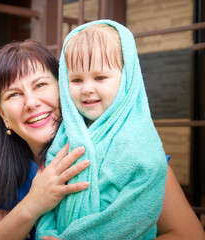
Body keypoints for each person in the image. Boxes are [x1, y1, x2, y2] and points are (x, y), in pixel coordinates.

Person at [0, 39, 204, 240]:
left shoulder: (132, 155)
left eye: (40, 85)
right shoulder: (10, 174)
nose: (31, 103)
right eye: (14, 94)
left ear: (64, 87)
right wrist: (33, 203)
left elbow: (190, 235)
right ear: (2, 114)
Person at [36, 20, 167, 239]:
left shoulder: (142, 147)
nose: (87, 89)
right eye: (76, 79)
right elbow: (48, 203)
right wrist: (45, 233)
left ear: (126, 77)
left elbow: (130, 220)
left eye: (100, 77)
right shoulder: (66, 138)